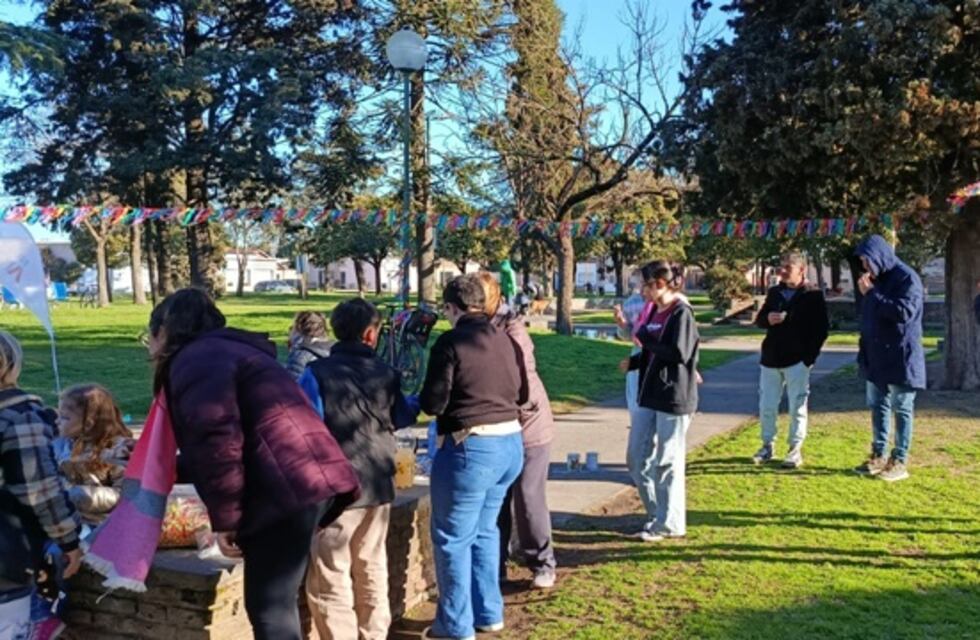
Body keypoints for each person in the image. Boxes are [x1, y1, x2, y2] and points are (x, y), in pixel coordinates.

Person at [147, 288, 360, 639]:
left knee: (269, 609)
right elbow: (221, 446)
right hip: (306, 478)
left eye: (150, 337)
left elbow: (218, 441)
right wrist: (166, 465)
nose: (150, 349)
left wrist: (227, 518)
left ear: (165, 332)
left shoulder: (195, 360)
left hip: (285, 486)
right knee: (275, 604)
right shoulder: (227, 352)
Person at [298, 299, 418, 640]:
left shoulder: (316, 374)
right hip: (379, 483)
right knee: (372, 567)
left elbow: (305, 427)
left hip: (336, 489)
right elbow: (402, 416)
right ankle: (374, 634)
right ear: (370, 334)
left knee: (330, 577)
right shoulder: (387, 373)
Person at [419, 275, 527, 640]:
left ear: (452, 308)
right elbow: (523, 391)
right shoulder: (507, 339)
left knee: (451, 537)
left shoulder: (450, 342)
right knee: (484, 530)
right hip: (511, 443)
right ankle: (489, 611)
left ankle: (455, 625)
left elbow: (432, 403)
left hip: (471, 446)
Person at [476, 272, 557, 591]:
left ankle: (542, 561)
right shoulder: (477, 328)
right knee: (495, 500)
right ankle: (496, 566)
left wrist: (515, 411)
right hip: (497, 425)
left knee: (527, 497)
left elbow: (523, 378)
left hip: (527, 426)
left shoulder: (511, 328)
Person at [0, 331, 83, 640]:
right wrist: (69, 540)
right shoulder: (18, 416)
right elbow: (40, 490)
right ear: (9, 367)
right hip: (6, 558)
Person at [620, 261, 699, 542]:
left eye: (646, 284)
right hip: (648, 393)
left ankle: (670, 523)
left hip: (673, 396)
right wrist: (635, 362)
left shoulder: (681, 313)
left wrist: (644, 340)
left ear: (660, 284)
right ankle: (657, 513)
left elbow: (680, 352)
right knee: (637, 459)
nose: (642, 290)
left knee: (667, 461)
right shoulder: (652, 310)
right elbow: (652, 351)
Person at [852, 235, 926, 482]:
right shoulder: (875, 279)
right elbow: (869, 315)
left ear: (879, 256)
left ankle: (900, 459)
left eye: (867, 260)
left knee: (901, 407)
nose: (865, 267)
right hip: (875, 355)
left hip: (900, 355)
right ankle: (878, 454)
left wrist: (872, 294)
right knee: (877, 404)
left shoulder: (907, 278)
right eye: (862, 261)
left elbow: (904, 313)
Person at [751, 253, 829, 468]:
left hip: (797, 361)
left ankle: (795, 449)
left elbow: (821, 330)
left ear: (801, 270)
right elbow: (759, 319)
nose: (782, 271)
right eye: (781, 267)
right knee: (767, 405)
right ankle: (767, 445)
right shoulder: (775, 292)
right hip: (771, 358)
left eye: (787, 268)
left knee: (797, 406)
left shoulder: (812, 295)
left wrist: (808, 359)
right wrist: (767, 319)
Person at [56, 384, 135, 526]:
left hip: (105, 526)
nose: (57, 422)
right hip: (70, 522)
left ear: (88, 424)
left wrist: (81, 496)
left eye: (65, 418)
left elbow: (125, 494)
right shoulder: (63, 445)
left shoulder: (116, 451)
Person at [285, 311, 334, 379]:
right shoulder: (336, 353)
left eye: (292, 328)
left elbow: (292, 386)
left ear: (299, 330)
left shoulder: (299, 357)